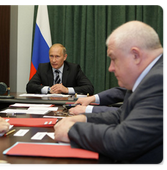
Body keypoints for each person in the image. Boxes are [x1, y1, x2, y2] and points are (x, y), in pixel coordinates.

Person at [54, 21, 164, 164]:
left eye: (113, 59)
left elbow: (123, 142)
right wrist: (84, 118)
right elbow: (121, 115)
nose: (110, 68)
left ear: (135, 55)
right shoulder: (148, 77)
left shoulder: (159, 80)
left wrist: (72, 130)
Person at [26, 43, 94, 95]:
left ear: (64, 57)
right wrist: (48, 89)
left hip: (67, 105)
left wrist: (66, 90)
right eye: (51, 56)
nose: (54, 60)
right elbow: (29, 87)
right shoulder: (43, 68)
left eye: (57, 56)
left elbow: (89, 88)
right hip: (48, 104)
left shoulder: (74, 69)